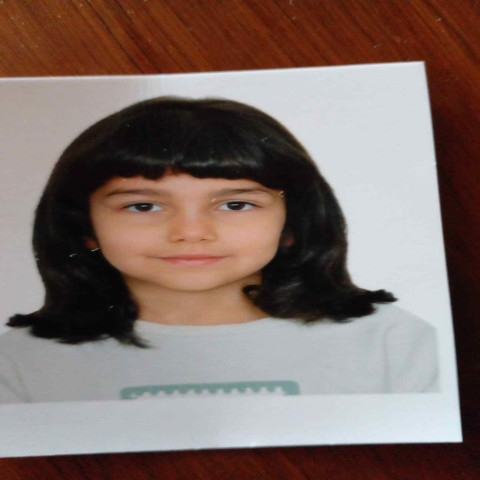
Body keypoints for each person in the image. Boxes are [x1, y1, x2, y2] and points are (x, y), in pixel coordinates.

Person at [0, 96, 438, 403]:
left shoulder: (390, 343)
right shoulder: (21, 361)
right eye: (144, 206)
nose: (191, 232)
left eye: (235, 204)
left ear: (293, 222)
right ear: (83, 226)